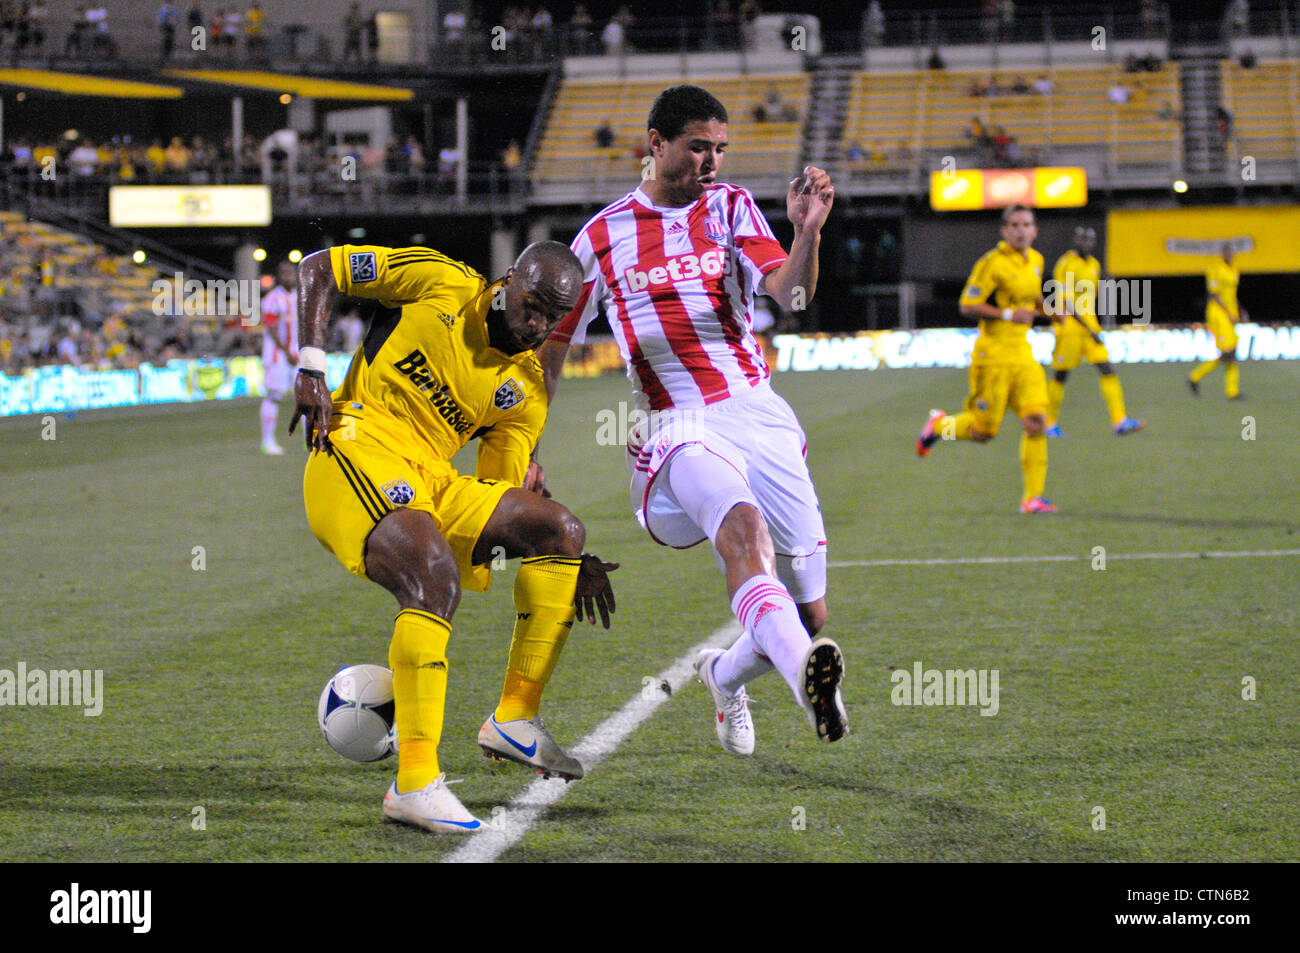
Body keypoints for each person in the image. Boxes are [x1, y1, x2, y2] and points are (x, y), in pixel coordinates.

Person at [539, 84, 848, 757]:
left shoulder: (733, 207)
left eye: (720, 149)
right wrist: (524, 448)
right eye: (698, 147)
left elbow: (791, 292)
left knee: (809, 611)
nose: (712, 161)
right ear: (656, 144)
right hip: (677, 421)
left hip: (759, 414)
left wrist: (807, 232)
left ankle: (724, 675)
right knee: (743, 531)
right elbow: (553, 348)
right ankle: (807, 678)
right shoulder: (601, 236)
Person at [290, 241, 617, 834]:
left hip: (431, 478)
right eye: (532, 306)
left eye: (553, 317)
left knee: (559, 530)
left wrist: (563, 559)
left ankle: (514, 719)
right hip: (355, 446)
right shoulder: (439, 281)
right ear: (508, 280)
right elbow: (319, 267)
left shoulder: (524, 391)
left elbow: (499, 493)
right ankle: (414, 783)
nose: (538, 325)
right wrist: (311, 365)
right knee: (433, 573)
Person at [917, 204, 1056, 514]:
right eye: (1015, 225)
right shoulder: (991, 264)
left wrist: (1049, 310)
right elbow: (967, 304)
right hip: (992, 355)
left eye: (1027, 224)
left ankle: (1033, 498)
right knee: (983, 432)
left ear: (1034, 230)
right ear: (1005, 231)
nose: (1021, 230)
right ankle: (939, 426)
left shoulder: (1035, 260)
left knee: (1036, 421)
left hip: (1024, 352)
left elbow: (1031, 297)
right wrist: (1008, 313)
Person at [1045, 227, 1144, 437]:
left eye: (1090, 239)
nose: (1086, 243)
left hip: (1090, 327)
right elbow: (1065, 302)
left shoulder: (1094, 265)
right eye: (1082, 239)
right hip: (1070, 327)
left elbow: (1090, 300)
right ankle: (1049, 423)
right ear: (1075, 240)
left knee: (1107, 368)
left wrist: (1093, 326)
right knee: (1061, 375)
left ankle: (1120, 421)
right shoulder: (1066, 264)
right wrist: (1088, 328)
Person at [1189, 243, 1247, 399]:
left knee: (1231, 353)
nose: (1230, 255)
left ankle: (1231, 391)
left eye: (1232, 252)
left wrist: (1240, 310)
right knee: (1228, 353)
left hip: (1229, 315)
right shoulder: (1215, 269)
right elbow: (1213, 294)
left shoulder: (1234, 270)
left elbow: (1232, 295)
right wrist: (1228, 313)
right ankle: (1195, 377)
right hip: (1218, 314)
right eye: (1227, 252)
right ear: (1223, 254)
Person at [259, 259, 297, 454]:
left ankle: (310, 441)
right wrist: (287, 352)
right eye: (283, 273)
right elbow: (272, 330)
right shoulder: (272, 299)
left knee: (306, 396)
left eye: (289, 272)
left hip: (297, 354)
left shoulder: (300, 297)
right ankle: (267, 441)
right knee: (274, 396)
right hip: (278, 355)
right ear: (277, 276)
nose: (287, 276)